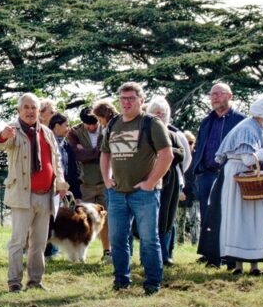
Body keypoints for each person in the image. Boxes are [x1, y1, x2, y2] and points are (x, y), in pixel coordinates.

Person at [99, 82, 174, 295]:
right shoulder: (114, 123)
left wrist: (150, 183)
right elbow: (105, 153)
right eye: (123, 98)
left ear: (142, 100)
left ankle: (152, 284)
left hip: (145, 194)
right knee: (117, 239)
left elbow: (166, 155)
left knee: (149, 240)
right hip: (117, 193)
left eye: (131, 98)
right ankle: (121, 282)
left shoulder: (152, 123)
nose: (127, 103)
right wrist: (107, 179)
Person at [0, 93, 68, 292]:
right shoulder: (12, 131)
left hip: (46, 195)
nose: (30, 111)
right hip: (21, 195)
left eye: (33, 107)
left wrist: (60, 182)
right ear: (18, 110)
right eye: (26, 107)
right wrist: (3, 136)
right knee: (18, 242)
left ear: (39, 112)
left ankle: (35, 281)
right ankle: (14, 282)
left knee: (39, 243)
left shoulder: (47, 132)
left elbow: (56, 160)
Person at [212, 95, 263, 276]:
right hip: (238, 177)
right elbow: (247, 158)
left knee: (254, 219)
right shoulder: (247, 129)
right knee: (239, 219)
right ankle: (238, 265)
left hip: (250, 178)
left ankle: (254, 265)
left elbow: (259, 160)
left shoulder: (257, 129)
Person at [192, 83, 246, 267]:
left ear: (229, 96)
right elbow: (200, 145)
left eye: (219, 94)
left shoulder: (240, 120)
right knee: (208, 216)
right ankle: (211, 257)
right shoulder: (207, 121)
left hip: (228, 173)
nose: (214, 97)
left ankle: (230, 259)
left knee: (228, 215)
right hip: (206, 174)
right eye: (212, 94)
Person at [146, 96, 192, 266]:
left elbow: (183, 157)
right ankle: (150, 255)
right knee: (151, 218)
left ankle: (165, 254)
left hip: (171, 181)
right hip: (150, 180)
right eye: (156, 112)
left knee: (168, 218)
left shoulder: (174, 134)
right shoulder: (144, 132)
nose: (159, 115)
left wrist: (166, 152)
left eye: (162, 112)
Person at [67, 102, 115, 259]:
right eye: (87, 124)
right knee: (83, 219)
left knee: (106, 219)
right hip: (86, 183)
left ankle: (107, 251)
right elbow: (77, 155)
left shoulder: (108, 127)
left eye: (93, 124)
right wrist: (97, 152)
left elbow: (107, 152)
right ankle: (79, 253)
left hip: (105, 181)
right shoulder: (74, 132)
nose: (91, 128)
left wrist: (88, 152)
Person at [45, 112, 73, 260]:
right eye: (66, 125)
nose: (68, 128)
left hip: (61, 188)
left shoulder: (65, 143)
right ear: (56, 126)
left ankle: (54, 250)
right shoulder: (48, 141)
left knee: (57, 219)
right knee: (49, 220)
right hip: (50, 187)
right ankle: (47, 251)